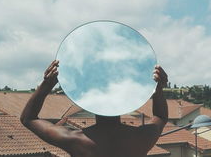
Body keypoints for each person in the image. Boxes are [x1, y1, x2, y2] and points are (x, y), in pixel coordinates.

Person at [21, 60, 168, 157]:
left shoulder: (76, 140)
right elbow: (160, 117)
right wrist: (158, 88)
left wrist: (47, 84)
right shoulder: (140, 138)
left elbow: (28, 118)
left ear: (90, 103)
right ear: (123, 102)